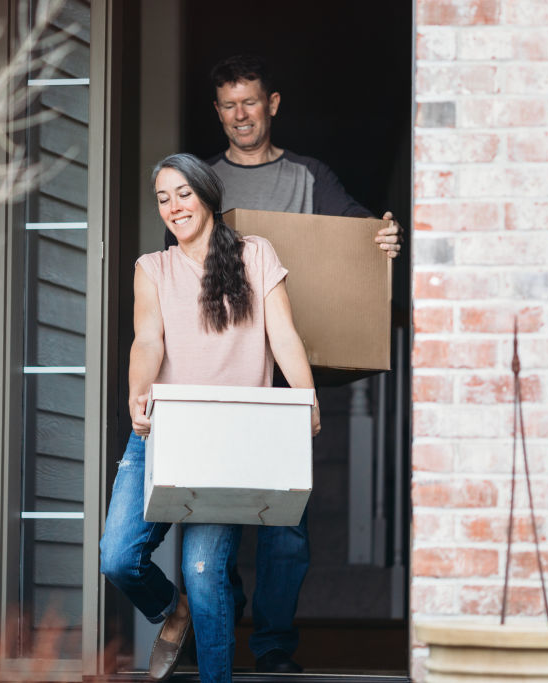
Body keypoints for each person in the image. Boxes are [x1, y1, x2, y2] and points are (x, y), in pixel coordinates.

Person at [165, 54, 402, 674]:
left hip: (286, 379)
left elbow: (354, 230)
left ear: (272, 104)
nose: (240, 115)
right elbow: (174, 277)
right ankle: (225, 614)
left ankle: (272, 647)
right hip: (217, 381)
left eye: (250, 101)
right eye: (228, 105)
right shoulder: (203, 182)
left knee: (286, 528)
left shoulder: (308, 176)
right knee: (218, 520)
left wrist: (381, 235)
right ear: (217, 112)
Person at [100, 152, 321, 683]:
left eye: (182, 193)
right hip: (164, 430)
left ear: (207, 195)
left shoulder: (255, 254)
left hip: (230, 440)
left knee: (204, 574)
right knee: (118, 556)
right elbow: (147, 340)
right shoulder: (151, 268)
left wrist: (306, 396)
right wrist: (138, 393)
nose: (173, 206)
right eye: (163, 198)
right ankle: (170, 610)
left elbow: (282, 334)